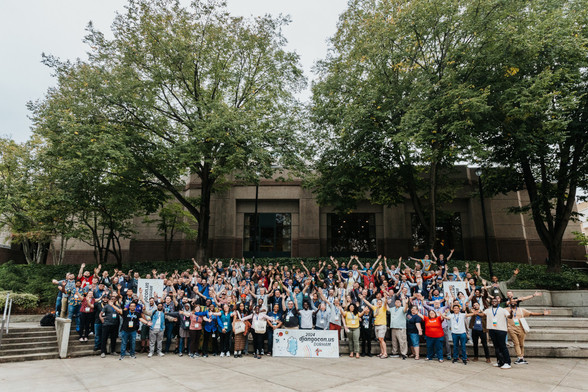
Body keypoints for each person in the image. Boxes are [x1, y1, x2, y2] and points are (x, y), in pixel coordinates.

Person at [507, 299, 550, 365]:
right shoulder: (506, 309)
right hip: (511, 328)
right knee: (516, 343)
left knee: (521, 344)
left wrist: (543, 314)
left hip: (521, 328)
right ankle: (519, 357)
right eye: (511, 301)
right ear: (509, 303)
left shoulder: (521, 310)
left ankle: (521, 357)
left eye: (514, 301)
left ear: (517, 303)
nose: (513, 302)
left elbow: (531, 313)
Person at [484, 296, 512, 369]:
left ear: (498, 302)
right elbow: (482, 314)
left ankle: (507, 362)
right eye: (493, 301)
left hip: (501, 330)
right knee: (496, 347)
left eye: (495, 301)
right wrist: (474, 312)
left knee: (503, 346)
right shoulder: (488, 310)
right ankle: (500, 362)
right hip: (492, 330)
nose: (494, 302)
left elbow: (509, 316)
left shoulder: (503, 310)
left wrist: (511, 313)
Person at [359, 293, 388, 358]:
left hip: (382, 325)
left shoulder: (383, 308)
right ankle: (382, 352)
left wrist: (385, 298)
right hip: (376, 325)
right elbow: (368, 303)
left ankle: (385, 353)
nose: (379, 303)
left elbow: (385, 303)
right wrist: (363, 298)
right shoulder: (375, 308)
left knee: (381, 339)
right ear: (377, 303)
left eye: (380, 302)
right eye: (378, 302)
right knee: (379, 340)